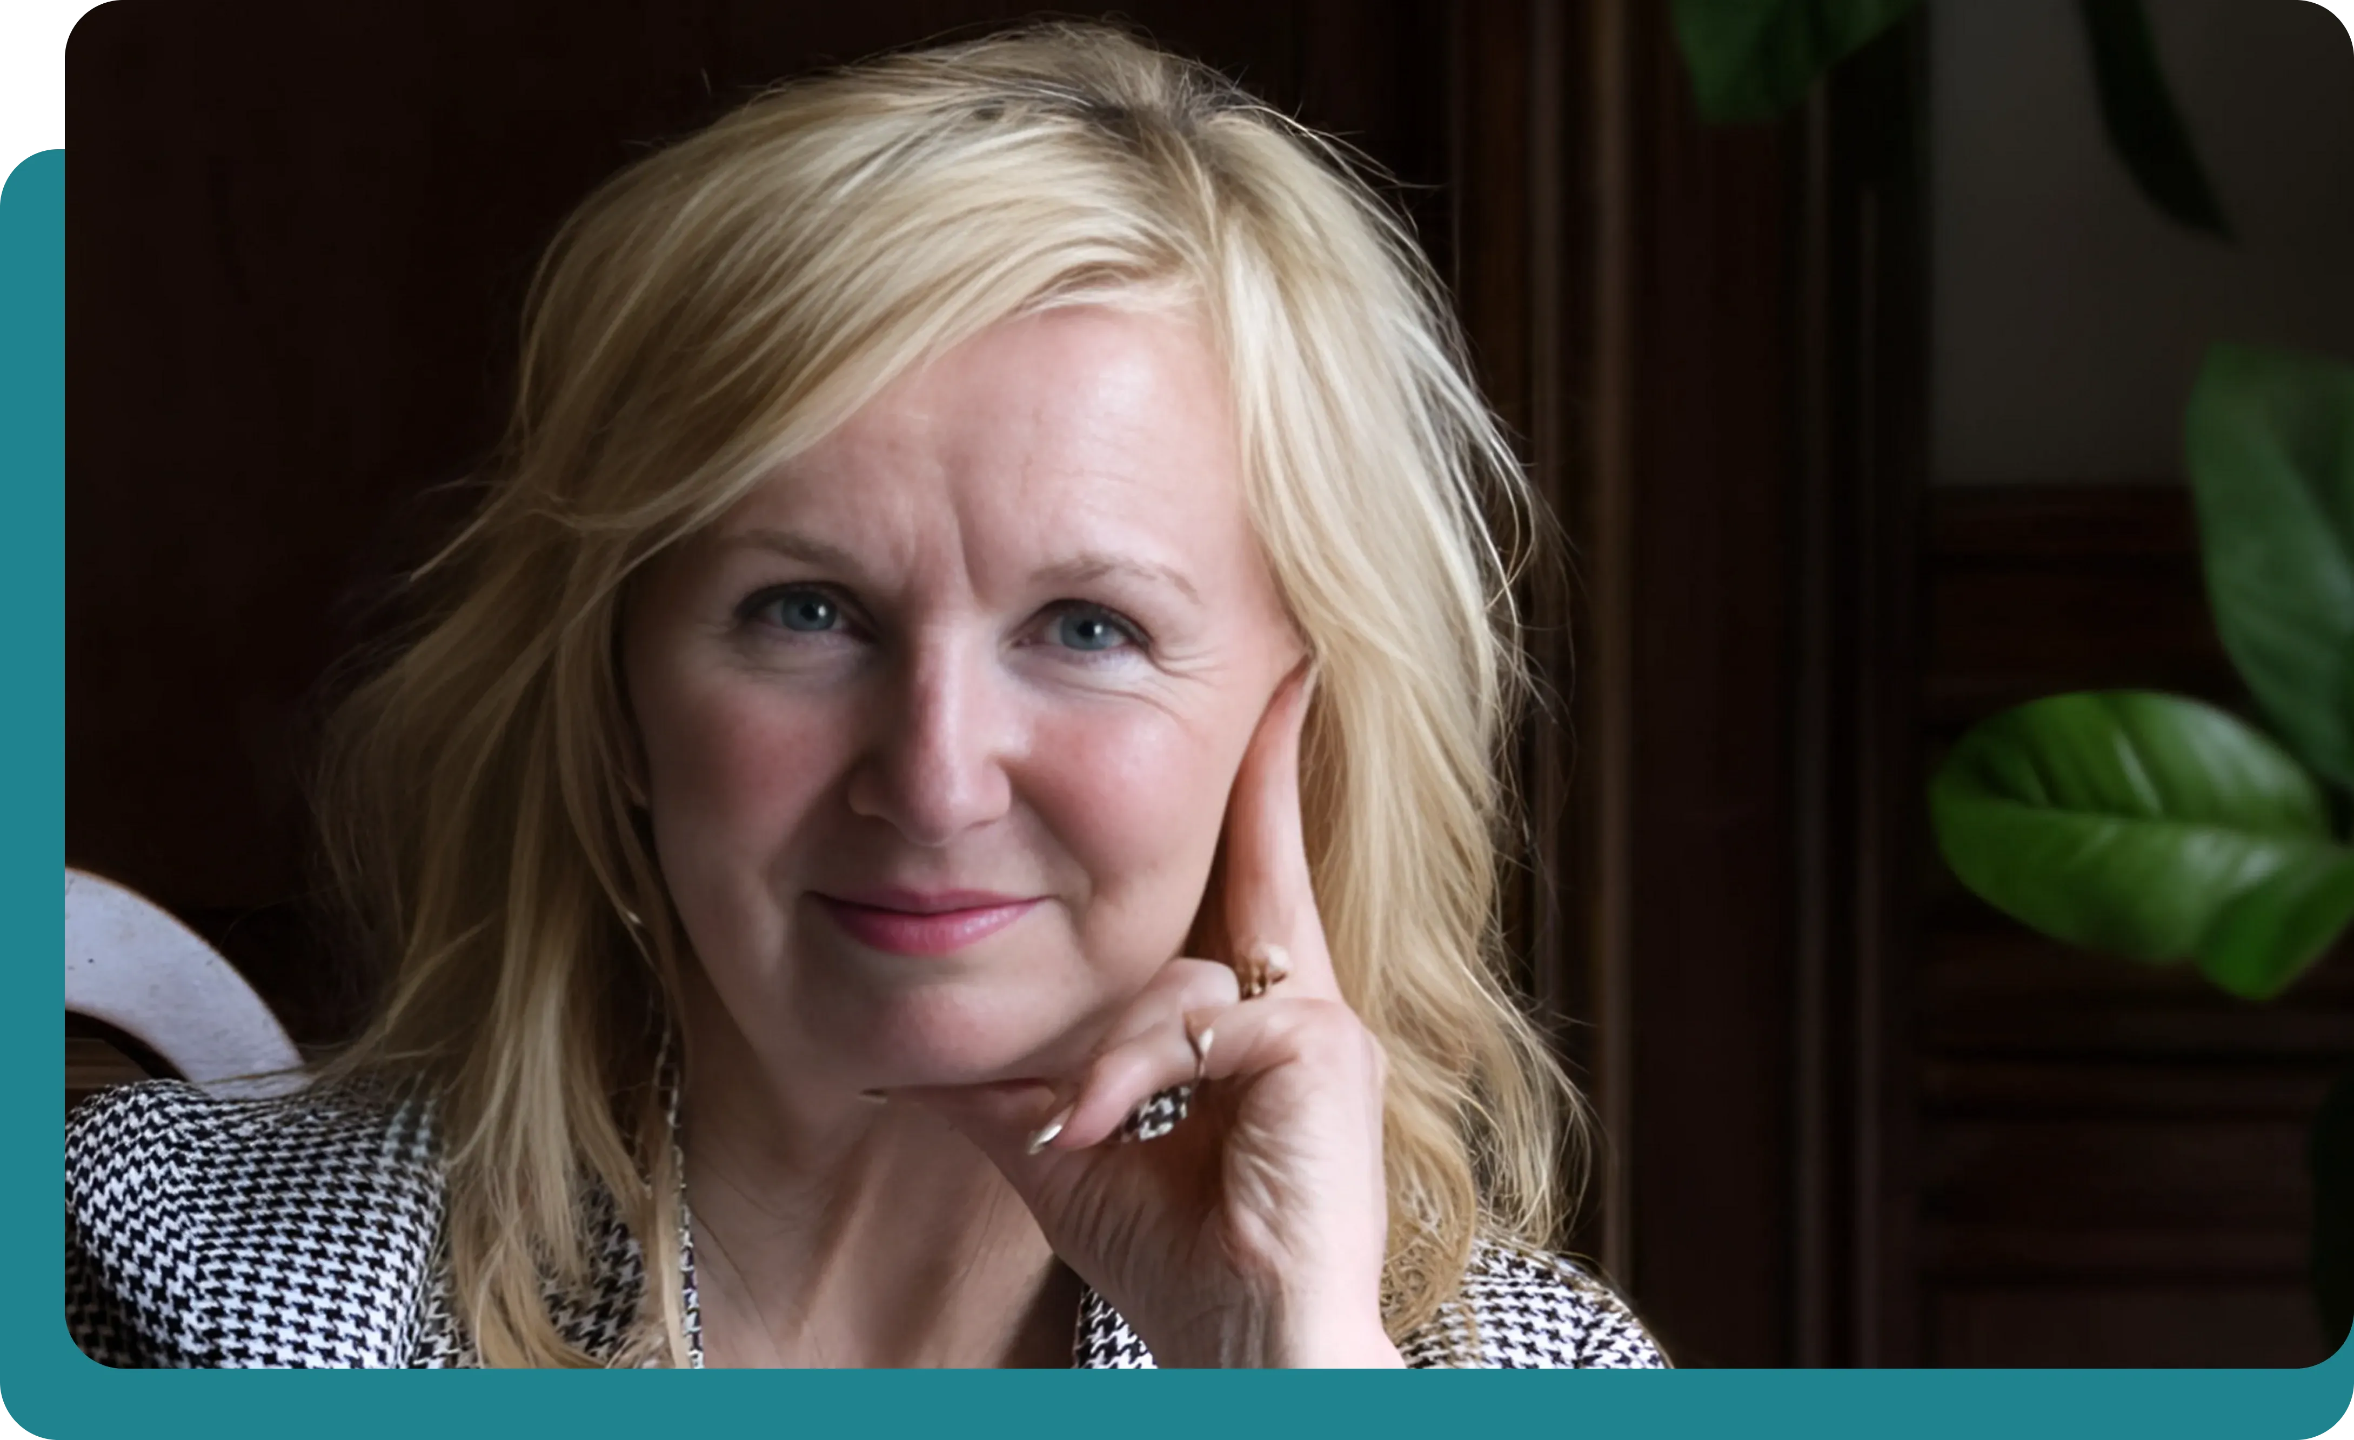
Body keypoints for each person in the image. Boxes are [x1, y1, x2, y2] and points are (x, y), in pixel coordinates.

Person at [65, 21, 1666, 1370]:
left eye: (1087, 627)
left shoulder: (1525, 1377)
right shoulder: (163, 1287)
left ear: (1292, 732)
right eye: (807, 611)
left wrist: (1278, 1370)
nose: (936, 776)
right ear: (615, 697)